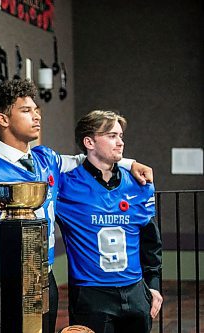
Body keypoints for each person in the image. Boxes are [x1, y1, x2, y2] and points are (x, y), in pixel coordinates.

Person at [0, 79, 153, 333]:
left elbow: (86, 158)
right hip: (9, 283)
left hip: (46, 278)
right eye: (26, 110)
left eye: (36, 109)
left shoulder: (46, 159)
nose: (36, 115)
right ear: (3, 119)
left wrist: (130, 163)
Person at [56, 110, 163, 333]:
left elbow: (151, 242)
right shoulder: (65, 187)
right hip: (91, 295)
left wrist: (153, 287)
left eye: (121, 136)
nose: (120, 142)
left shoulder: (139, 184)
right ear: (89, 142)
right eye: (112, 136)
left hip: (135, 294)